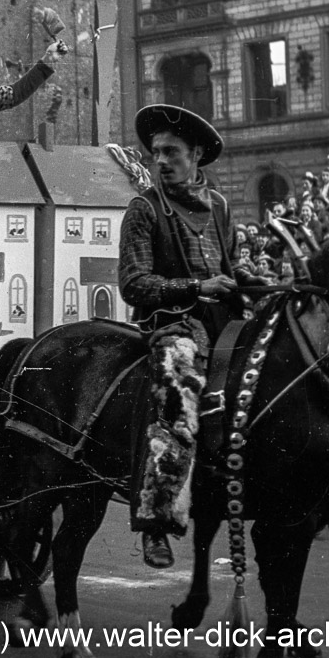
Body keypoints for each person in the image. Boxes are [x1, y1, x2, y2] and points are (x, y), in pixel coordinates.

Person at [118, 104, 268, 569]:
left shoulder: (220, 206)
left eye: (172, 152)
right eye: (156, 152)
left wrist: (248, 276)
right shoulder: (143, 209)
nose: (161, 160)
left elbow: (228, 265)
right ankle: (158, 519)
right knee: (176, 396)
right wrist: (194, 287)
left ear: (197, 154)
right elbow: (133, 282)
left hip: (225, 322)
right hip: (172, 326)